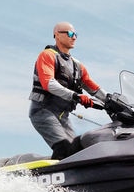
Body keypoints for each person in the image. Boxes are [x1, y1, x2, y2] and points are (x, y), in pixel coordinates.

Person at [29, 22, 107, 159]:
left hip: (62, 116)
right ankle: (50, 178)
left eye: (75, 34)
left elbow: (94, 89)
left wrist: (113, 101)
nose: (74, 37)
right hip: (43, 112)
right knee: (64, 147)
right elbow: (49, 84)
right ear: (57, 35)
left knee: (76, 152)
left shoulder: (77, 66)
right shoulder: (47, 55)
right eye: (70, 34)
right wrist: (76, 96)